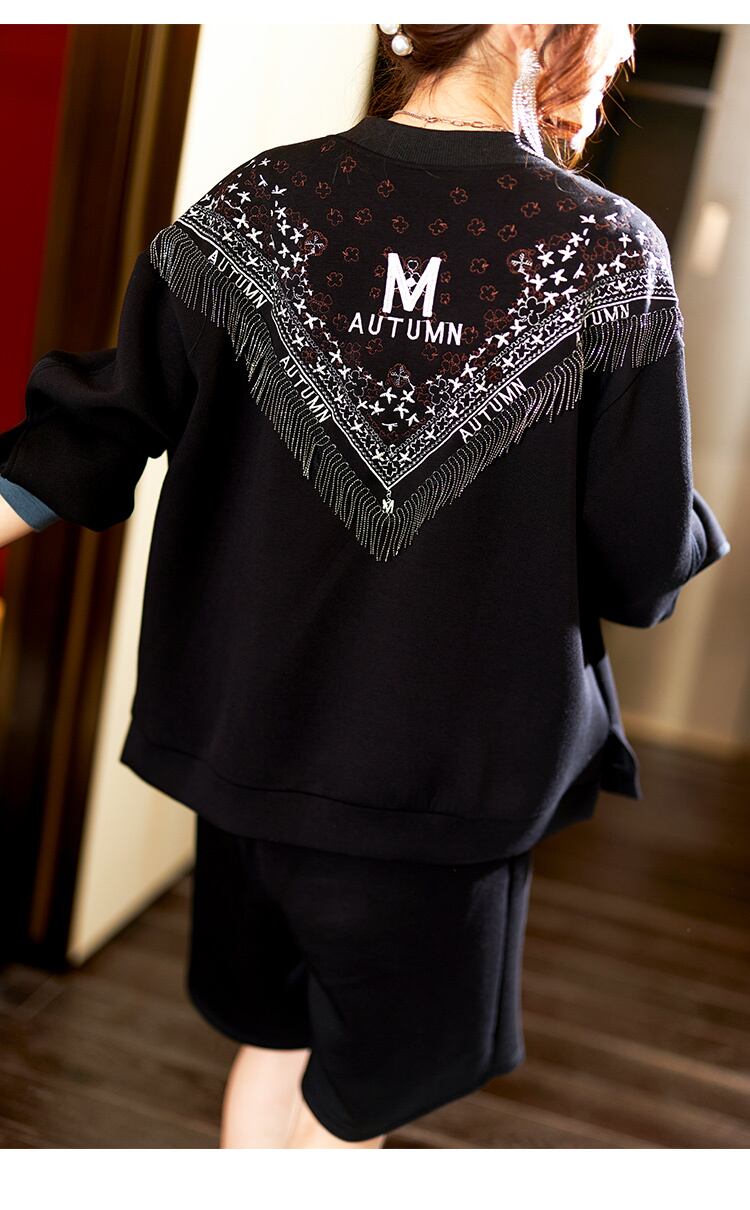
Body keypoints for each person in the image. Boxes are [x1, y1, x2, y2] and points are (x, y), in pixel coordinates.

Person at [0, 23, 731, 1149]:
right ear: (535, 26)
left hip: (250, 749)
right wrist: (680, 522)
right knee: (361, 1102)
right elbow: (639, 563)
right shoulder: (608, 252)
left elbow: (89, 437)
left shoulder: (260, 205)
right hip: (446, 780)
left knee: (276, 1040)